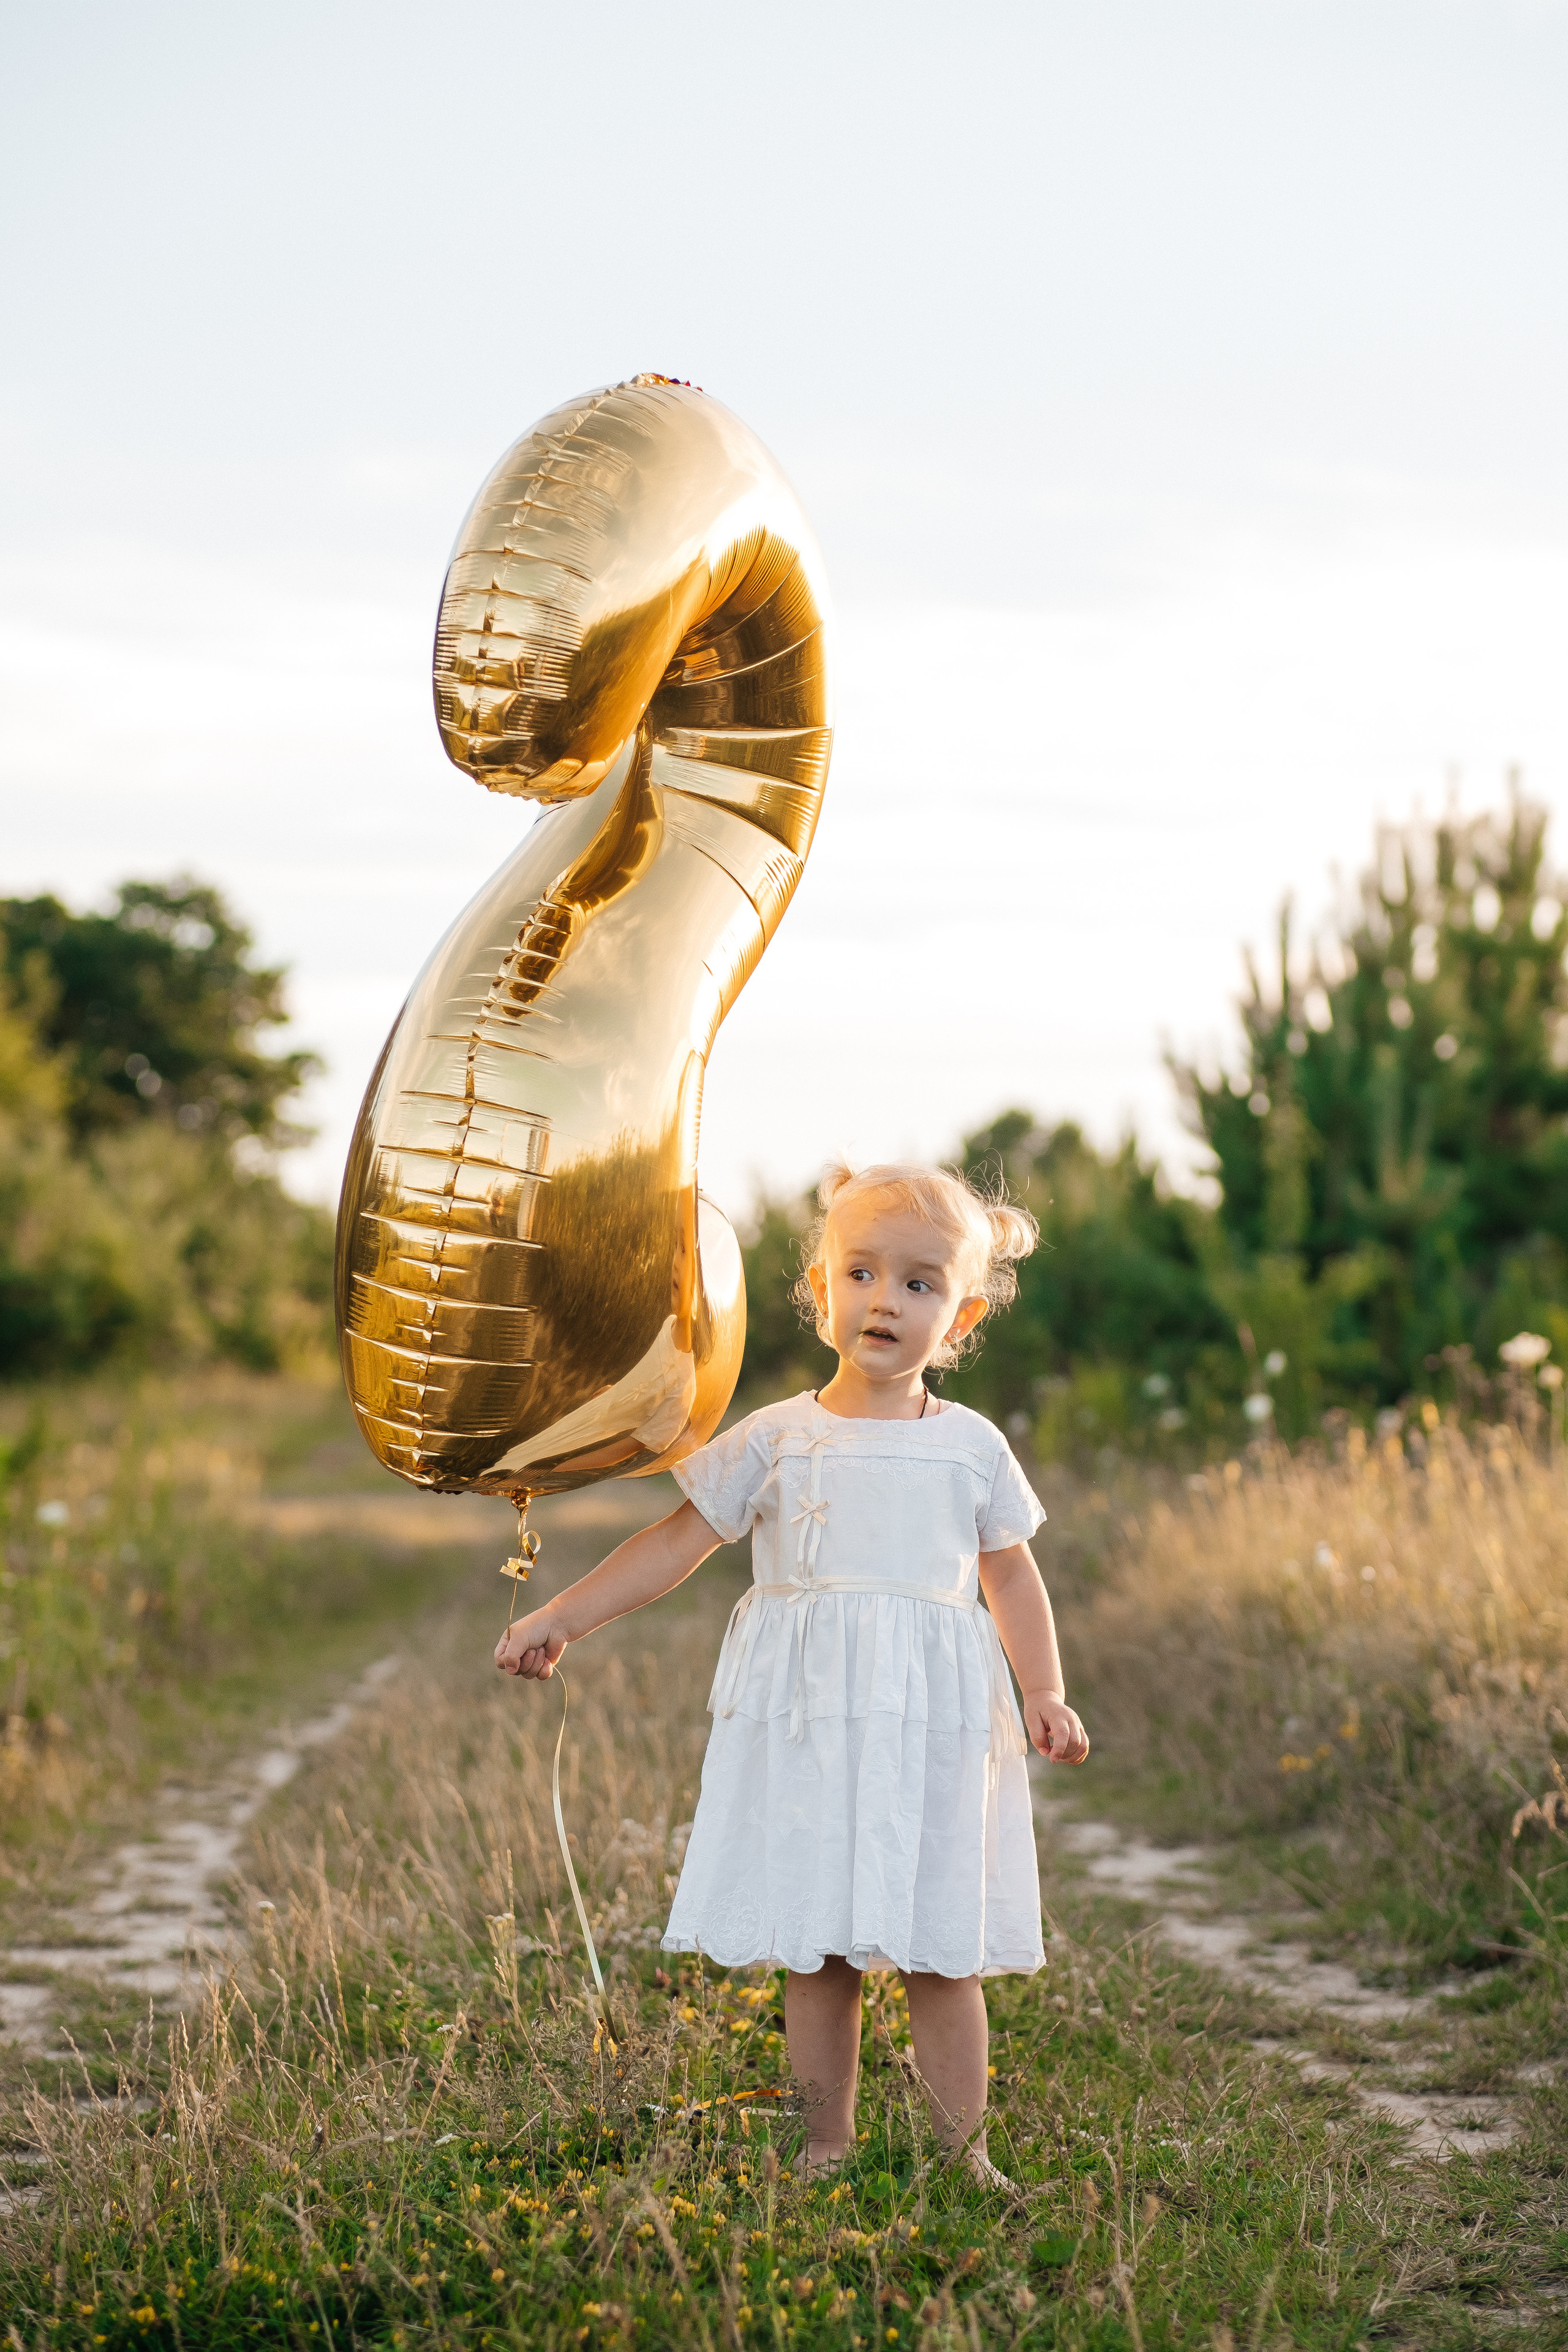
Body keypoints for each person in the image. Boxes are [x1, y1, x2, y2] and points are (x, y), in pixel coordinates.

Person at [495, 1160, 1090, 2180]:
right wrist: (561, 1614)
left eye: (919, 1283)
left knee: (942, 1948)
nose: (884, 1301)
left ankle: (965, 2153)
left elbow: (1012, 1576)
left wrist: (1043, 1688)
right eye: (860, 1272)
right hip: (815, 1720)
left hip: (933, 1723)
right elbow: (675, 1543)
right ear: (820, 1291)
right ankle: (826, 2140)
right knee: (819, 1947)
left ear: (962, 1313)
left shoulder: (973, 1450)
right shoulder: (776, 1438)